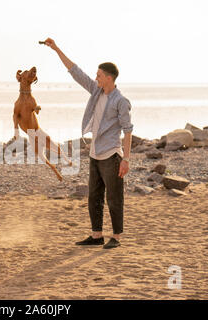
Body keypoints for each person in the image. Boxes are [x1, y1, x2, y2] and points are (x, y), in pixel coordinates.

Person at [44, 38, 133, 249]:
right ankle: (97, 235)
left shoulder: (121, 101)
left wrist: (126, 159)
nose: (96, 78)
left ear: (109, 78)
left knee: (114, 198)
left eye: (99, 75)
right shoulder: (96, 91)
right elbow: (76, 72)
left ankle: (117, 237)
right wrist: (57, 49)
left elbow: (128, 131)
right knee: (94, 196)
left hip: (112, 155)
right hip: (95, 154)